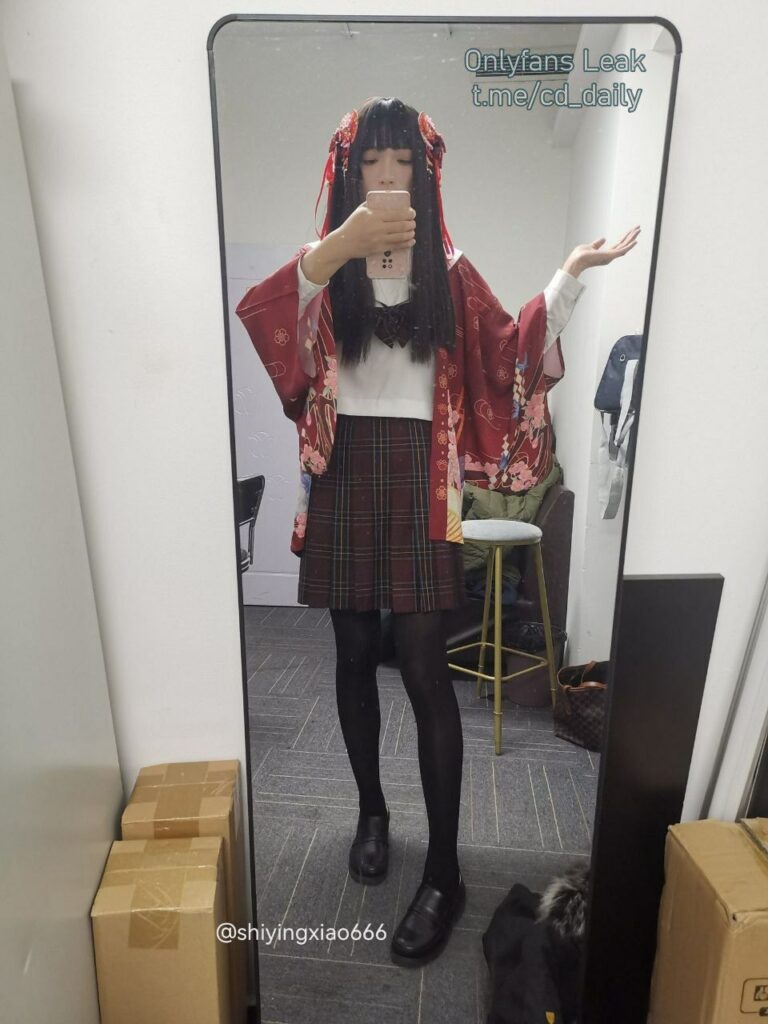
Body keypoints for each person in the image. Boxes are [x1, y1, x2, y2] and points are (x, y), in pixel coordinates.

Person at [235, 96, 639, 967]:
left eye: (403, 163)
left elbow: (512, 350)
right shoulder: (325, 266)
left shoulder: (448, 274)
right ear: (348, 173)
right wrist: (338, 245)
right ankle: (372, 813)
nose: (388, 177)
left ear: (425, 175)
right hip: (344, 472)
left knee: (423, 668)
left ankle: (445, 871)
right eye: (371, 163)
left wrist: (569, 275)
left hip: (422, 475)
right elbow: (268, 317)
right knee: (351, 654)